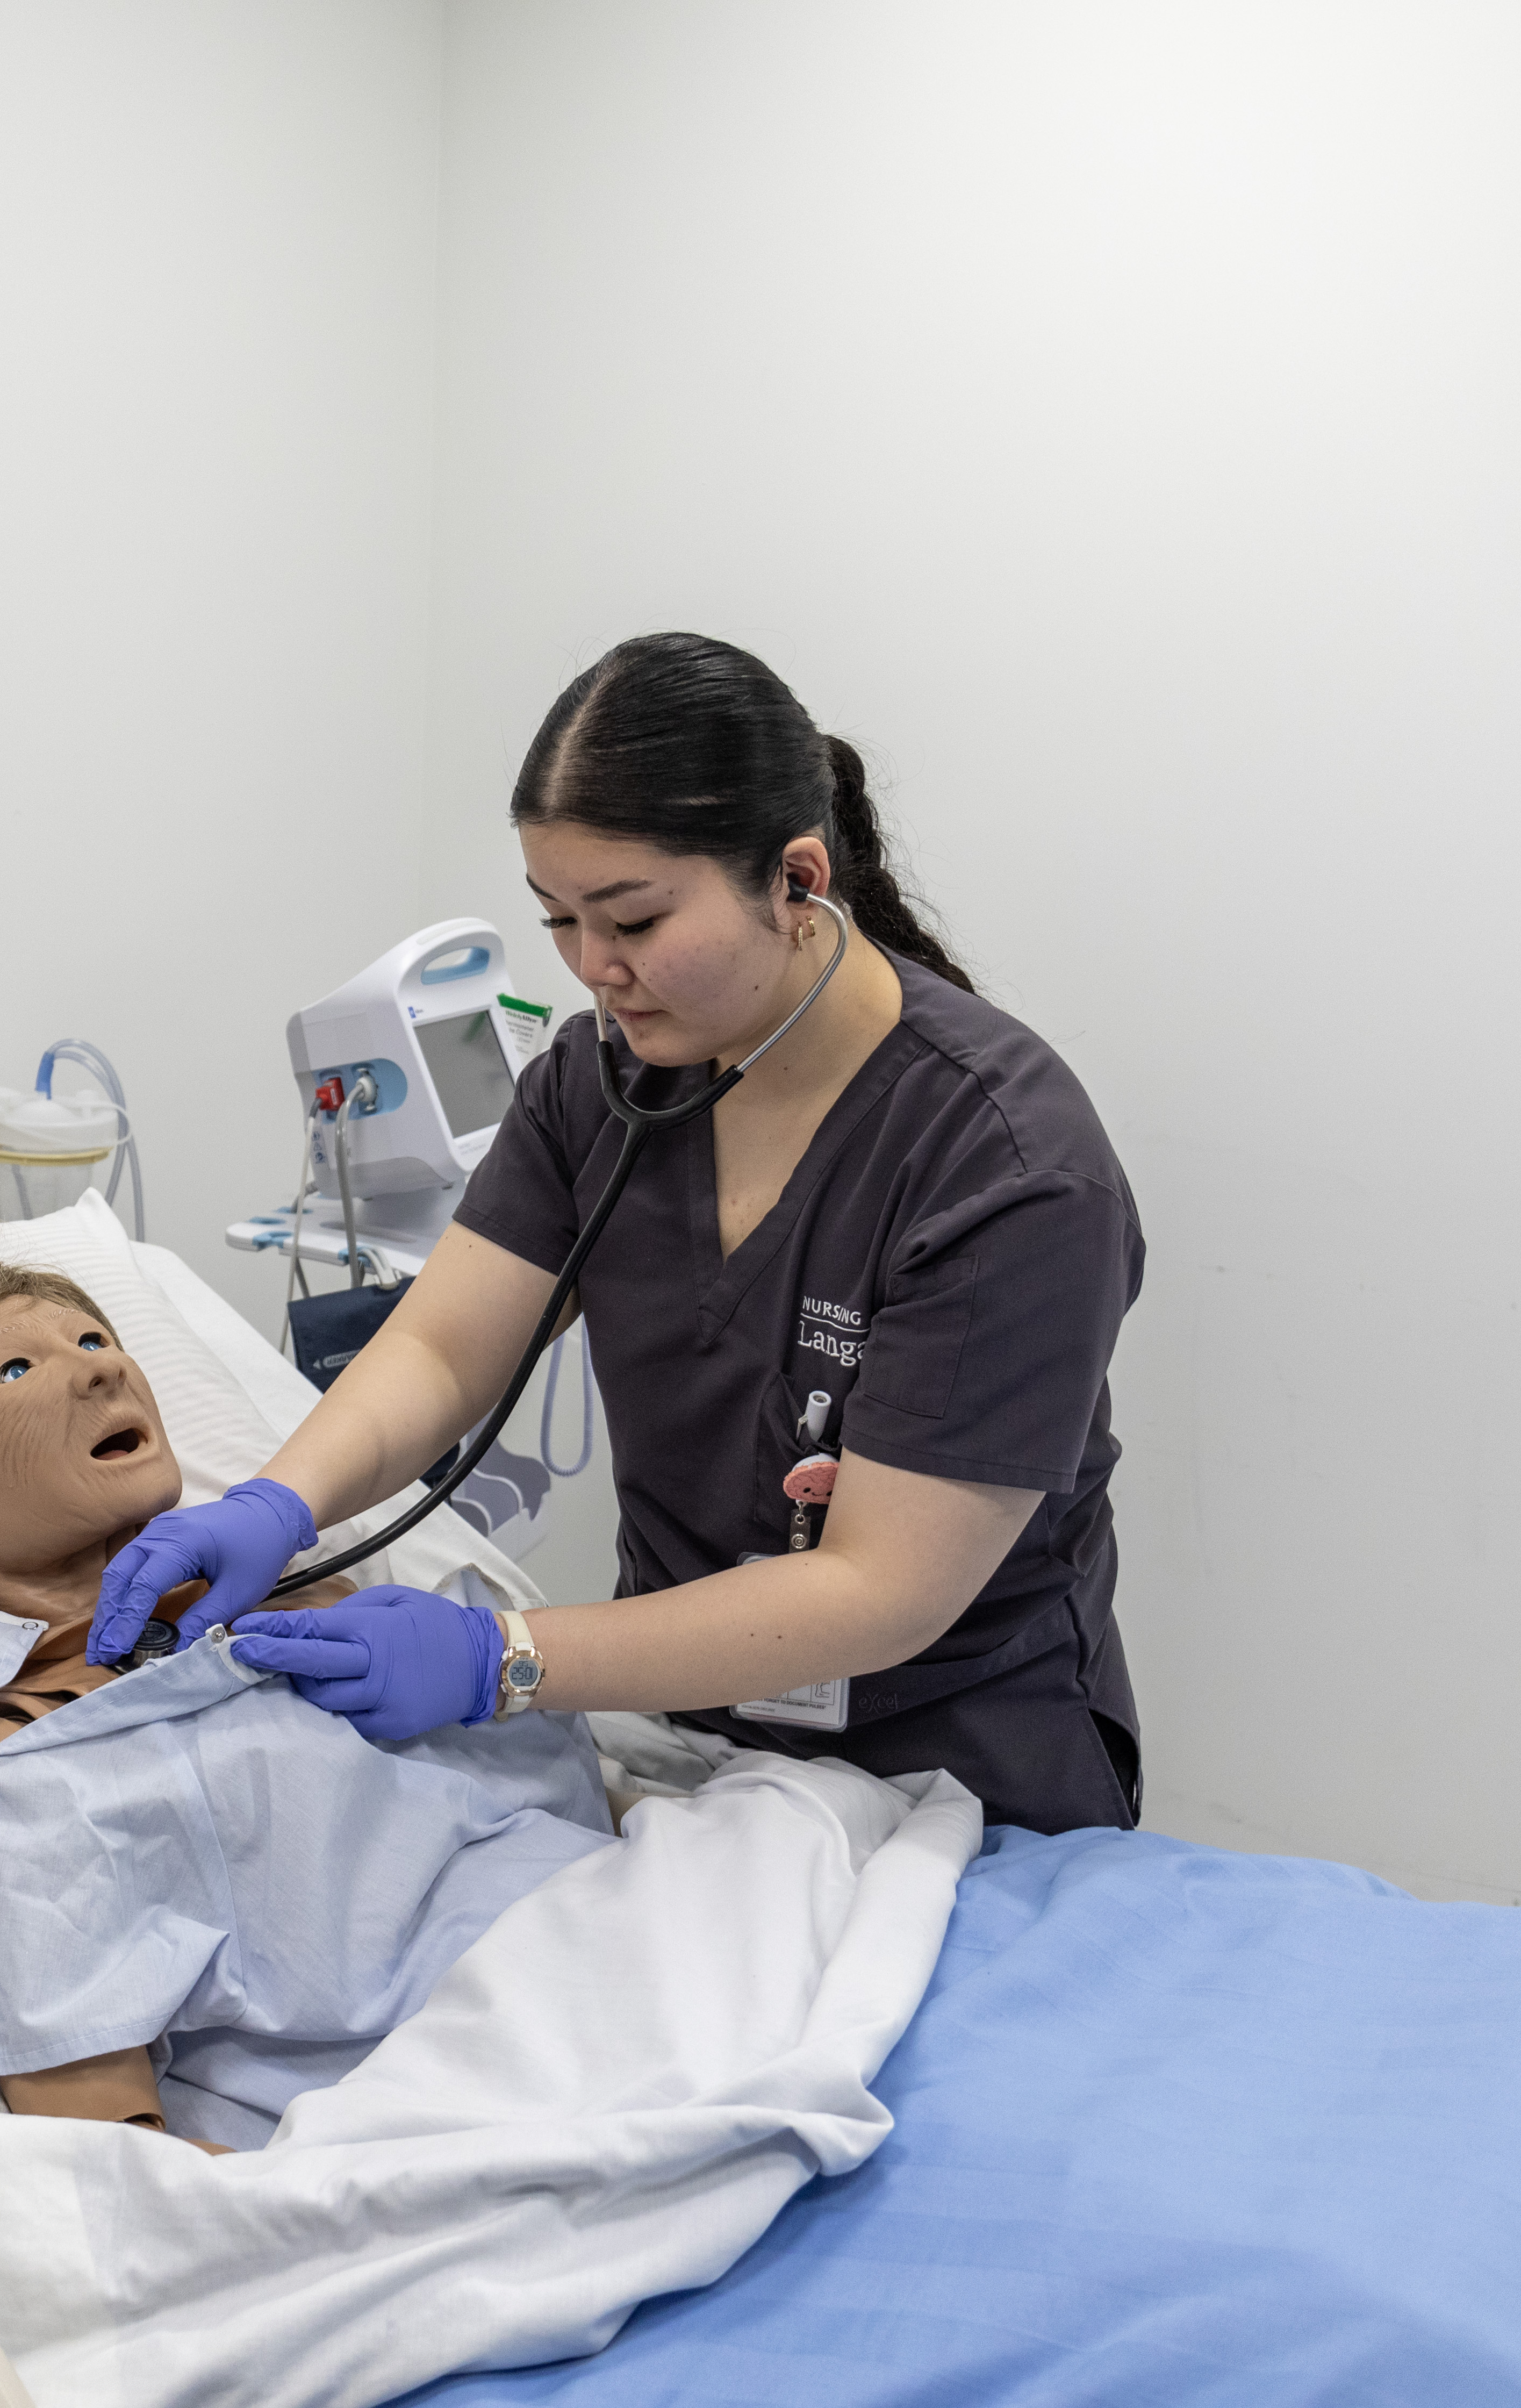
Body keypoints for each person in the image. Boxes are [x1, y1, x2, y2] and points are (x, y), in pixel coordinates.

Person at [94, 633, 1147, 1834]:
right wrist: (282, 1501)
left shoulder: (1006, 1166)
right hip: (681, 1741)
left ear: (799, 881)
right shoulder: (603, 1081)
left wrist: (505, 1656)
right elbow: (445, 1353)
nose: (597, 970)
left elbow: (878, 1587)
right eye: (558, 920)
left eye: (635, 920)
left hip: (958, 1778)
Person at [0, 1256, 608, 2150]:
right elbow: (127, 2164)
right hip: (502, 2089)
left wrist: (498, 1660)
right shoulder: (31, 1769)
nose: (101, 1368)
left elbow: (592, 1797)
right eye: (15, 1369)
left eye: (94, 1338)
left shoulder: (343, 1609)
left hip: (646, 1931)